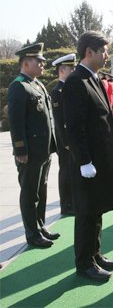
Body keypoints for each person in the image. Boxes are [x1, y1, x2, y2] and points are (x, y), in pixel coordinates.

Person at [62, 31, 113, 282]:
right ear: (89, 52)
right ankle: (84, 263)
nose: (106, 55)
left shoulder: (93, 78)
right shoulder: (76, 82)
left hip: (100, 158)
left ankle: (95, 253)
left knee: (97, 209)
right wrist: (84, 161)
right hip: (87, 162)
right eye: (103, 51)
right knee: (87, 213)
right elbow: (74, 127)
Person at [7, 43, 59, 248]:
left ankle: (40, 225)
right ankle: (32, 233)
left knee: (42, 190)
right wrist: (20, 150)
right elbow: (16, 122)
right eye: (39, 61)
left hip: (43, 150)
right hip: (29, 153)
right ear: (26, 63)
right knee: (30, 193)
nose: (43, 64)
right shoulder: (18, 86)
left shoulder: (37, 84)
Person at [50, 54, 77, 216]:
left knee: (71, 170)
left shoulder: (68, 88)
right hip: (64, 140)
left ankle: (72, 201)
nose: (73, 70)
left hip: (71, 138)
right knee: (66, 171)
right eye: (71, 68)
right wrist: (66, 141)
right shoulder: (57, 91)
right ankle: (66, 205)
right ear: (62, 70)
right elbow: (59, 121)